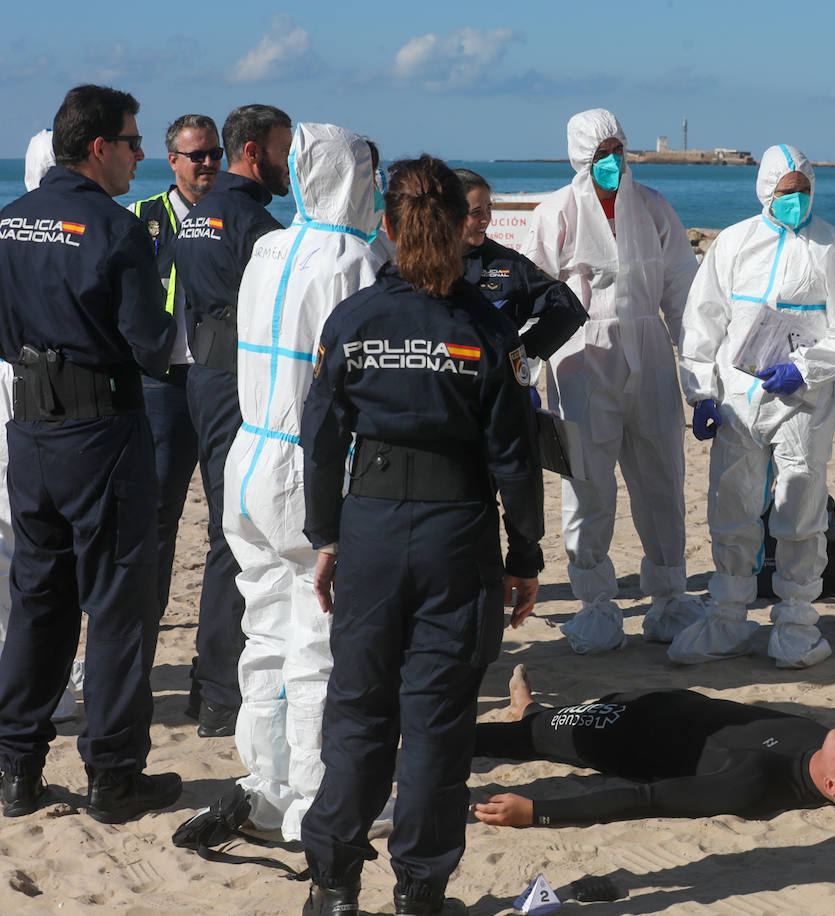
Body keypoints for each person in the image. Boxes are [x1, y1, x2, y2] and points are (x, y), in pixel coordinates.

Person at [298, 156, 544, 916]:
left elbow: (320, 437)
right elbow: (514, 452)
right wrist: (524, 553)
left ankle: (335, 886)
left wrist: (327, 535)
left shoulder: (355, 320)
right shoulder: (482, 324)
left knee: (360, 712)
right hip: (455, 535)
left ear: (389, 225)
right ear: (459, 228)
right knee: (436, 719)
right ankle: (419, 891)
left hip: (371, 529)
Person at [0, 84, 180, 823]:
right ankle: (113, 776)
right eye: (134, 142)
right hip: (101, 430)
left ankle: (17, 768)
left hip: (31, 430)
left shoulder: (8, 223)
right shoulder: (115, 229)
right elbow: (151, 346)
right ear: (98, 146)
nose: (141, 156)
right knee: (116, 607)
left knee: (37, 602)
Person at [217, 123, 386, 843]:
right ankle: (316, 800)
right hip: (305, 464)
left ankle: (264, 781)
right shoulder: (352, 257)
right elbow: (366, 371)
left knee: (263, 630)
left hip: (247, 454)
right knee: (319, 637)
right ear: (351, 178)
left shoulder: (267, 246)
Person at [669, 144, 835, 669]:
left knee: (801, 507)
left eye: (803, 191)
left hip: (803, 401)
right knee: (731, 506)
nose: (795, 200)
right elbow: (703, 321)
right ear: (765, 190)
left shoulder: (833, 248)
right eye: (786, 192)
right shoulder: (735, 243)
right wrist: (701, 392)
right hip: (739, 399)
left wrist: (804, 369)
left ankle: (797, 623)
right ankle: (727, 618)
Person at [519, 108, 701, 653]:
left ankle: (669, 596)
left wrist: (696, 373)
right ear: (580, 157)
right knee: (587, 481)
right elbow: (530, 293)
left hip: (649, 352)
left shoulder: (652, 207)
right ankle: (596, 605)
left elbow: (683, 292)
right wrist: (525, 368)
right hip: (581, 357)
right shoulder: (556, 213)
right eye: (601, 153)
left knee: (661, 475)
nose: (612, 161)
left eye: (618, 149)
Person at [473, 666, 835, 826]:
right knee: (544, 722)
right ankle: (531, 712)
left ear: (832, 784)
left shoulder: (754, 783)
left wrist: (537, 811)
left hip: (617, 733)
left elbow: (648, 800)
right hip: (665, 700)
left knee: (510, 738)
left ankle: (526, 716)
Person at [174, 103, 292, 738]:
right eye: (282, 150)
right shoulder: (254, 223)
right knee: (236, 531)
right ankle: (221, 690)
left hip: (204, 373)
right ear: (254, 153)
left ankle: (208, 683)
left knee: (228, 528)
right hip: (238, 376)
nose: (290, 163)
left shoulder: (195, 217)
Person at [0, 131, 83, 726]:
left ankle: (30, 678)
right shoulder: (79, 229)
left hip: (14, 373)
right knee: (51, 542)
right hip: (53, 393)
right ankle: (58, 678)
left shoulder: (10, 226)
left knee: (20, 535)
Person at [129, 113, 221, 645]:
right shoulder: (140, 219)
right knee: (157, 516)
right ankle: (146, 624)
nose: (207, 163)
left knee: (226, 519)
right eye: (197, 155)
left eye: (213, 153)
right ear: (174, 161)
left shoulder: (235, 217)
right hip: (160, 385)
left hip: (217, 380)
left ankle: (215, 644)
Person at [454, 168, 587, 371]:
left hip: (492, 386)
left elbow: (570, 308)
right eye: (476, 212)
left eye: (489, 209)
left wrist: (522, 351)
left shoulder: (508, 263)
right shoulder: (422, 262)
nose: (486, 219)